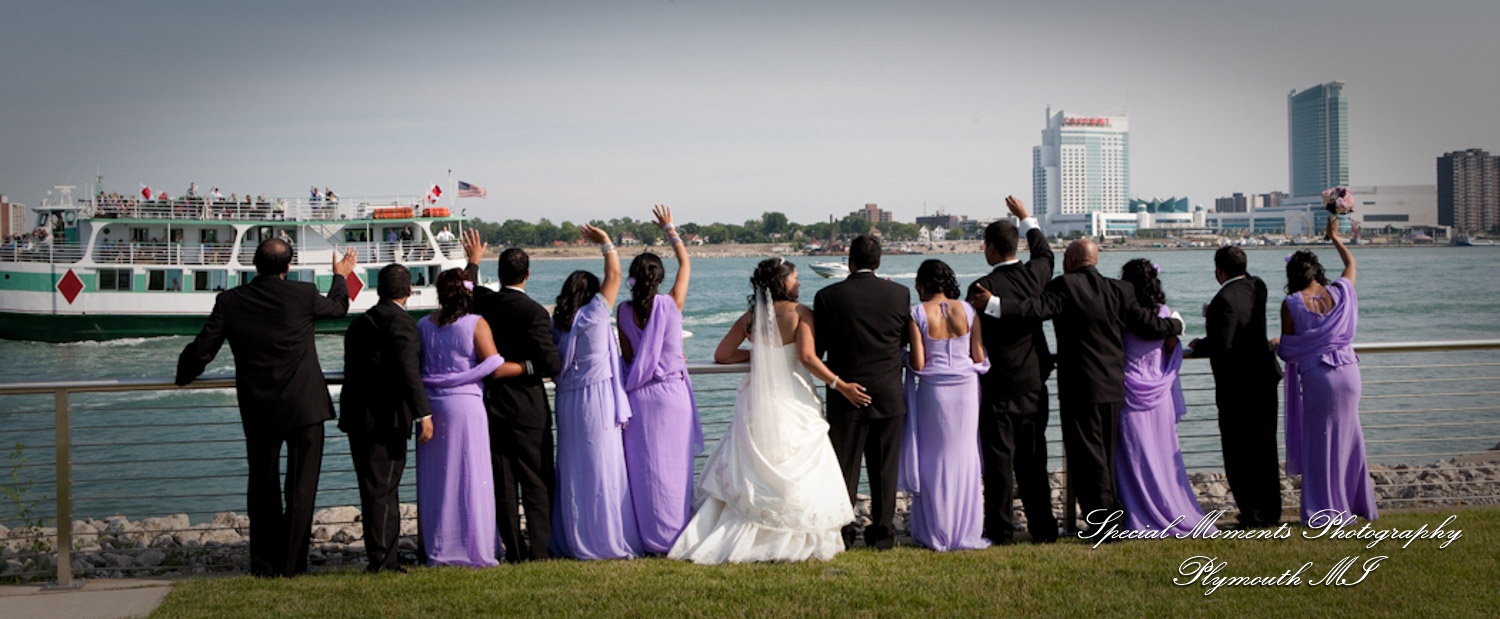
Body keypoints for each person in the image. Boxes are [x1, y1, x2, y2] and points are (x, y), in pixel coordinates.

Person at [174, 240, 357, 577]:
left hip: (259, 407)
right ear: (288, 267)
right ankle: (293, 565)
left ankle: (263, 564)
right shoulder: (302, 294)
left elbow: (203, 349)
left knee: (262, 488)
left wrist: (183, 375)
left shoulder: (230, 300)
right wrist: (340, 276)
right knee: (302, 490)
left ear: (254, 265)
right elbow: (338, 308)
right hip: (305, 407)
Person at [982, 239, 1184, 529]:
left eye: (1066, 257)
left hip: (1080, 388)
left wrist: (993, 304)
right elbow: (1147, 325)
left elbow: (1034, 309)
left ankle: (1104, 524)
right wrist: (1176, 325)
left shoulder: (1064, 286)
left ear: (1073, 261)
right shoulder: (1120, 289)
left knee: (1088, 460)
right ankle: (1115, 516)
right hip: (1114, 387)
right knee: (1108, 457)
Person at [669, 258, 857, 564]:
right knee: (799, 459)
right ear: (783, 283)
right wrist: (840, 384)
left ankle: (748, 524)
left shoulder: (750, 317)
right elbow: (808, 357)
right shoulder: (801, 313)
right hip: (793, 395)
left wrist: (760, 355)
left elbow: (722, 354)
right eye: (795, 278)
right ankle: (796, 532)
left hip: (758, 397)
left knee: (757, 461)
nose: (800, 283)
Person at [462, 230, 562, 561]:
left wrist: (473, 261)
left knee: (503, 484)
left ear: (500, 273)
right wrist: (520, 366)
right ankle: (539, 550)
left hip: (491, 405)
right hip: (528, 408)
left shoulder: (482, 301)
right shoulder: (534, 312)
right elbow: (551, 362)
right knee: (536, 481)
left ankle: (514, 551)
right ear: (528, 274)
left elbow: (464, 290)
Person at [416, 269, 525, 567]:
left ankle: (439, 544)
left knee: (437, 478)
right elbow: (493, 363)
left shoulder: (423, 324)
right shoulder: (476, 323)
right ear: (467, 294)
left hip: (432, 408)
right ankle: (475, 545)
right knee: (471, 475)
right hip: (465, 407)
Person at [966, 196, 1059, 544]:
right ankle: (1043, 527)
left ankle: (1001, 530)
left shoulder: (980, 289)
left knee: (998, 462)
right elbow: (1046, 254)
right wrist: (1026, 219)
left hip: (997, 384)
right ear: (1016, 245)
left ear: (989, 249)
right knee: (1035, 460)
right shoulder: (1037, 275)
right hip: (1034, 380)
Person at [549, 225, 643, 560]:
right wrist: (605, 242)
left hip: (566, 400)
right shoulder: (595, 313)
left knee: (573, 468)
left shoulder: (557, 322)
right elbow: (615, 273)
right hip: (597, 399)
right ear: (592, 293)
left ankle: (574, 536)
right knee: (603, 466)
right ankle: (605, 537)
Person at [1276, 217, 1377, 525]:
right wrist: (1334, 237)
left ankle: (1325, 508)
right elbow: (1352, 264)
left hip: (1320, 377)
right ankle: (1356, 501)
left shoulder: (1292, 303)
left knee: (1321, 442)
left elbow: (1289, 347)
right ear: (1318, 271)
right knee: (1351, 437)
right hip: (1349, 372)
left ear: (1293, 275)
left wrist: (1278, 343)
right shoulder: (1341, 292)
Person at [813, 236, 912, 550]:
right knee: (885, 471)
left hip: (846, 394)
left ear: (849, 260)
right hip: (888, 392)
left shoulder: (828, 297)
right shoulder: (900, 294)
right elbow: (902, 341)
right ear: (879, 262)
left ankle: (843, 531)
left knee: (845, 470)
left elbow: (818, 349)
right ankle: (883, 534)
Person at [618, 205, 702, 554]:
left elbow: (627, 358)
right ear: (659, 277)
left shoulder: (622, 311)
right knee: (674, 466)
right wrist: (670, 229)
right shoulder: (671, 304)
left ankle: (649, 534)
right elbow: (687, 264)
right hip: (671, 396)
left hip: (639, 396)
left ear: (633, 278)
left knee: (644, 468)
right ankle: (675, 534)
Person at [339, 264, 433, 572]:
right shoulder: (403, 323)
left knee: (374, 488)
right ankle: (382, 560)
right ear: (409, 291)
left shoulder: (359, 323)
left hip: (357, 416)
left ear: (379, 289)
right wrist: (424, 413)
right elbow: (409, 371)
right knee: (384, 489)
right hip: (386, 419)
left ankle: (385, 553)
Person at [1114, 259, 1216, 536]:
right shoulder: (1163, 312)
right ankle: (1170, 507)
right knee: (1161, 455)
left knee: (1133, 458)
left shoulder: (1121, 312)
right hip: (1158, 393)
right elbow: (1172, 347)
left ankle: (1138, 512)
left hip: (1128, 390)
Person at [1186, 246, 1284, 528]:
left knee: (1238, 452)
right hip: (1264, 379)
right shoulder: (1258, 287)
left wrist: (1200, 343)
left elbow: (1222, 345)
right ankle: (1270, 510)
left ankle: (1251, 513)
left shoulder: (1223, 300)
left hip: (1238, 388)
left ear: (1219, 270)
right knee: (1265, 448)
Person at [900, 259, 990, 551]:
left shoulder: (917, 313)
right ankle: (965, 528)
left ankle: (937, 529)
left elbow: (918, 362)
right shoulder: (968, 310)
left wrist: (900, 358)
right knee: (965, 456)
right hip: (966, 389)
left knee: (934, 458)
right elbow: (978, 355)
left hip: (934, 392)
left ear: (921, 284)